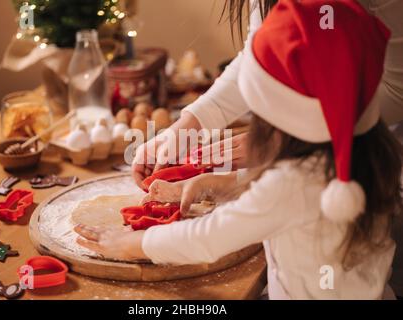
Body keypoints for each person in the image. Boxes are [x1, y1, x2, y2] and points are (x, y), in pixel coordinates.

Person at [76, 0, 401, 299]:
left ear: (280, 119)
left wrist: (133, 245)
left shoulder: (289, 185)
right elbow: (299, 198)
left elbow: (209, 237)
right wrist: (221, 182)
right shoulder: (371, 154)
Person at [131, 0, 403, 187]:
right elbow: (260, 55)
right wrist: (189, 125)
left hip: (386, 172)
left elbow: (396, 90)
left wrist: (286, 140)